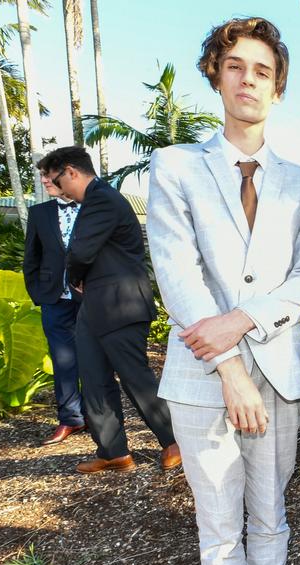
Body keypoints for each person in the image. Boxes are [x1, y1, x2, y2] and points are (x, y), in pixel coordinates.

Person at [145, 17, 300, 565]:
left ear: (277, 87)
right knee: (219, 528)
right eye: (235, 67)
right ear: (216, 77)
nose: (248, 79)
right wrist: (224, 362)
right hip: (201, 375)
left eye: (261, 69)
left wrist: (241, 321)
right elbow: (177, 270)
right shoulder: (175, 166)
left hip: (278, 367)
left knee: (271, 514)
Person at [39, 145, 181, 475]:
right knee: (93, 377)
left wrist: (75, 279)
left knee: (135, 376)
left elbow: (80, 250)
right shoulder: (92, 202)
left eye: (58, 180)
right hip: (95, 306)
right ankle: (113, 451)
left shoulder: (102, 198)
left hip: (121, 303)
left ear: (72, 171)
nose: (58, 188)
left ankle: (175, 441)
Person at [23, 165, 85, 445]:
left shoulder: (94, 208)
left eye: (50, 175)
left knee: (95, 359)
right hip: (54, 299)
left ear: (68, 175)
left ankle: (100, 418)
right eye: (42, 176)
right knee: (62, 361)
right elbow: (32, 257)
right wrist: (39, 293)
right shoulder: (39, 213)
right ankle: (70, 419)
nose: (45, 180)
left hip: (91, 299)